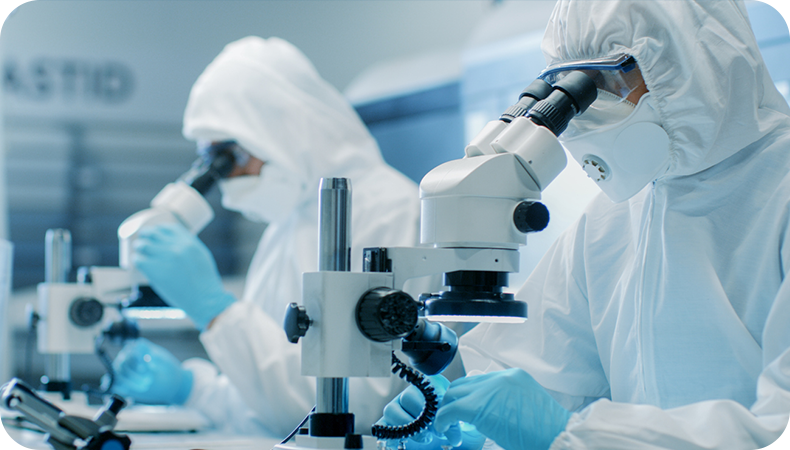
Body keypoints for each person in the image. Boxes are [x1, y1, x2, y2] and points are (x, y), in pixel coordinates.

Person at [380, 1, 790, 449]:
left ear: (694, 61)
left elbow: (778, 430)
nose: (587, 115)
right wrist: (458, 420)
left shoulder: (780, 193)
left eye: (610, 81)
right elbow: (526, 372)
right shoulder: (613, 218)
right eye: (573, 87)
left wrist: (568, 433)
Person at [110, 36, 425, 436]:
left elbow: (352, 411)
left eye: (231, 158)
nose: (228, 178)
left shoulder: (388, 212)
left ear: (284, 129)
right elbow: (262, 409)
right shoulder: (286, 227)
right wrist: (191, 389)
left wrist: (219, 313)